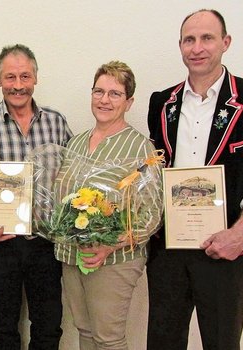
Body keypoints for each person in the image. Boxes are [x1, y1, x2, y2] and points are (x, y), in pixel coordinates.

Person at [146, 9, 243, 350]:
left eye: (207, 38)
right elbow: (155, 170)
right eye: (189, 39)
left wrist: (239, 233)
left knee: (222, 341)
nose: (197, 47)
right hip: (169, 247)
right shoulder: (162, 103)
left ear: (225, 42)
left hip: (226, 245)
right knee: (163, 341)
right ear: (180, 45)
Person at [0, 44, 73, 349]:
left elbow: (68, 182)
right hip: (1, 244)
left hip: (46, 243)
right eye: (10, 77)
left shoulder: (56, 122)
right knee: (3, 325)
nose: (18, 85)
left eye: (25, 76)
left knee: (48, 324)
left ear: (36, 78)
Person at [54, 61, 162, 349]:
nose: (104, 100)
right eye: (98, 91)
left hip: (114, 260)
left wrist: (109, 244)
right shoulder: (75, 143)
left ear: (129, 102)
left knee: (108, 339)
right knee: (85, 332)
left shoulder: (140, 147)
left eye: (114, 94)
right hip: (71, 256)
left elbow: (151, 213)